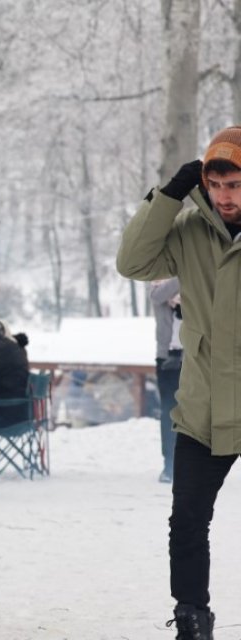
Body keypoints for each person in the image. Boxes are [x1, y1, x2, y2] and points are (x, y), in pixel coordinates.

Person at [116, 126, 241, 639]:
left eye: (234, 184)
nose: (226, 196)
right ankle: (192, 613)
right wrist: (167, 197)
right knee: (187, 521)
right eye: (216, 185)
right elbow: (133, 263)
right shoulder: (189, 228)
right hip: (204, 407)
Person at [150, 278, 182, 484]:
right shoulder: (158, 278)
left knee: (196, 413)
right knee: (169, 412)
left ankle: (193, 463)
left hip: (195, 356)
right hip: (167, 356)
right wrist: (183, 276)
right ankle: (169, 464)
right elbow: (157, 296)